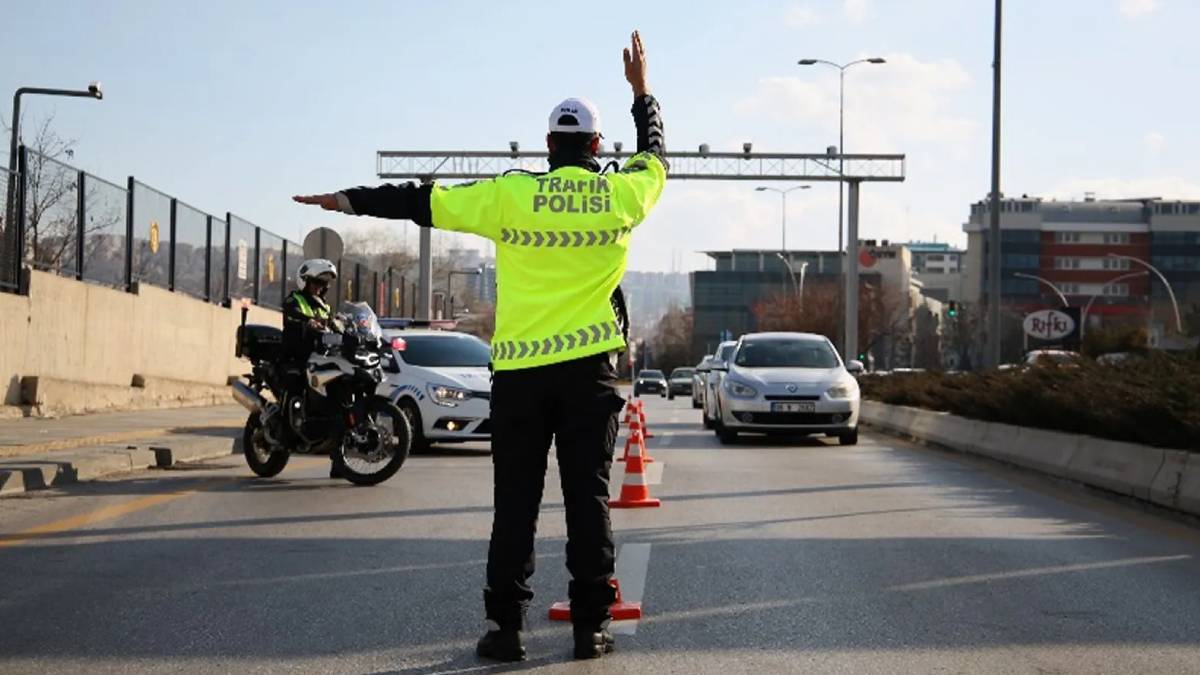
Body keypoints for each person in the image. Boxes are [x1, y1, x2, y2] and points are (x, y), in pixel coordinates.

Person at [293, 31, 666, 661]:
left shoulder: (510, 193)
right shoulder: (620, 193)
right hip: (589, 376)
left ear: (549, 147)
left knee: (515, 506)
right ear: (597, 148)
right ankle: (590, 628)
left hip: (520, 376)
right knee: (589, 500)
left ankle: (505, 631)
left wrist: (346, 201)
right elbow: (657, 157)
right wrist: (642, 92)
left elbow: (421, 200)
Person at [282, 259, 338, 477]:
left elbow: (333, 324)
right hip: (296, 357)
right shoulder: (294, 299)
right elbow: (292, 311)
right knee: (295, 387)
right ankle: (286, 430)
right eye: (315, 282)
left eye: (322, 284)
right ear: (304, 281)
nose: (319, 287)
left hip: (320, 359)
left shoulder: (325, 306)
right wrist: (307, 320)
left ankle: (339, 461)